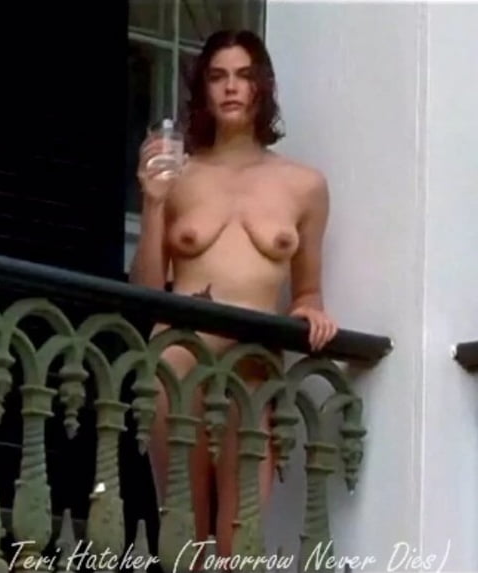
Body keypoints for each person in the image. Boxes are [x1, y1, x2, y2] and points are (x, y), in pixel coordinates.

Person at [128, 29, 338, 558]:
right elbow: (146, 291)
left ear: (262, 86)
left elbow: (307, 289)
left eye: (243, 76)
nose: (230, 87)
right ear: (203, 89)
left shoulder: (304, 185)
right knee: (186, 537)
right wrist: (153, 203)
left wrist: (311, 310)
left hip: (252, 369)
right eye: (218, 76)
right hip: (177, 362)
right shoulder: (181, 175)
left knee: (240, 540)